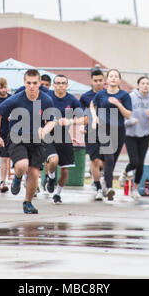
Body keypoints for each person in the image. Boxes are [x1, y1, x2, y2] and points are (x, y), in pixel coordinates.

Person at [0, 69, 55, 214]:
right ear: (24, 83)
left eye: (34, 83)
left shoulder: (46, 100)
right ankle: (17, 178)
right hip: (17, 137)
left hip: (36, 139)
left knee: (34, 173)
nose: (31, 86)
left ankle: (28, 203)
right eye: (28, 83)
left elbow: (52, 121)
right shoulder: (16, 99)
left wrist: (44, 131)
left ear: (39, 83)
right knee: (22, 165)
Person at [90, 69, 132, 201]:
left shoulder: (124, 95)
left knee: (112, 160)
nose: (113, 78)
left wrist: (118, 104)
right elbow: (92, 105)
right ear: (106, 80)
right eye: (111, 76)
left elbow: (128, 115)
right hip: (104, 128)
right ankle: (109, 188)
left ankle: (104, 180)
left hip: (119, 129)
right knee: (109, 158)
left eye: (116, 76)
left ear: (119, 80)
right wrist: (94, 117)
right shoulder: (101, 94)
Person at [43, 74, 84, 204]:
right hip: (49, 135)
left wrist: (70, 121)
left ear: (66, 85)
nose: (60, 85)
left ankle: (58, 194)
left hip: (64, 137)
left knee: (65, 171)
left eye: (63, 83)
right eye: (58, 83)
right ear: (53, 85)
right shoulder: (47, 97)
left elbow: (85, 118)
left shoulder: (71, 100)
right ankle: (50, 178)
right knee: (54, 160)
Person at [119, 76, 149, 194]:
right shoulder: (131, 97)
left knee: (141, 164)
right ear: (138, 85)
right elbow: (123, 115)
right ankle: (125, 172)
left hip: (145, 134)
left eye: (147, 83)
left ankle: (135, 189)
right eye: (143, 83)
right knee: (134, 162)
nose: (145, 85)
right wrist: (131, 121)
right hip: (131, 134)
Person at [79, 69, 106, 200]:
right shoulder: (85, 97)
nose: (98, 83)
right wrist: (81, 126)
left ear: (104, 81)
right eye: (95, 81)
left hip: (108, 131)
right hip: (91, 131)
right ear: (92, 81)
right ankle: (98, 187)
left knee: (105, 162)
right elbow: (80, 114)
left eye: (100, 80)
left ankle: (105, 180)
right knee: (94, 160)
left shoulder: (109, 95)